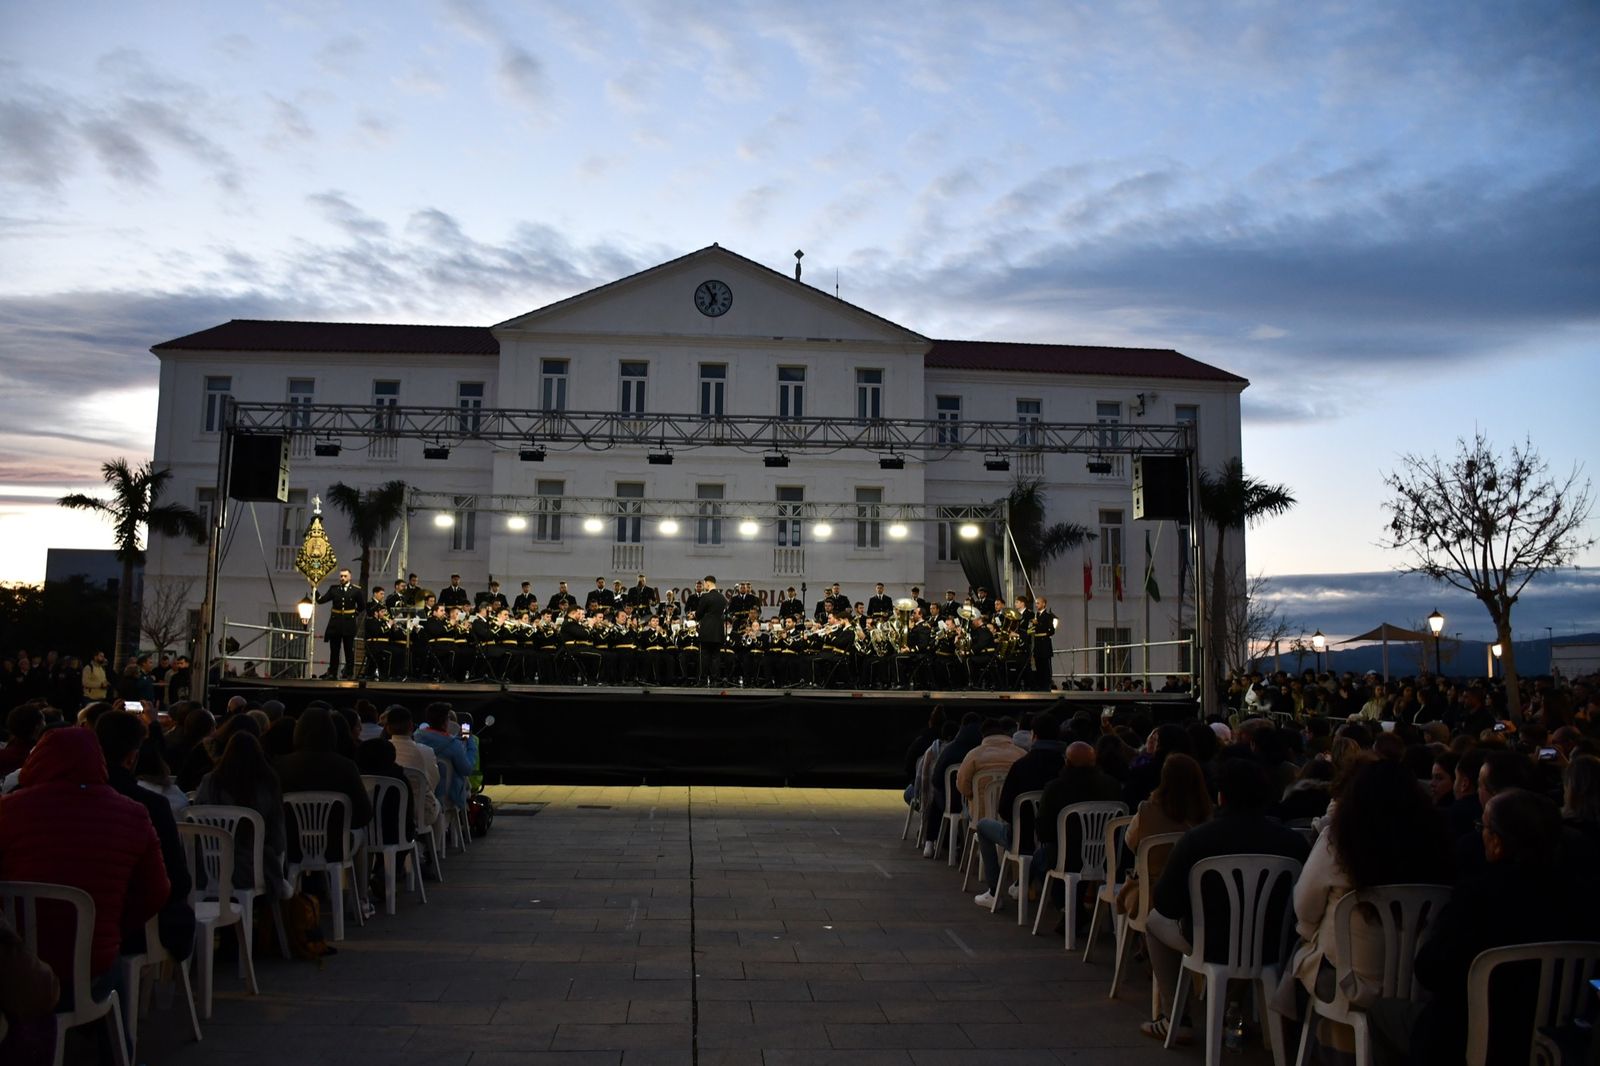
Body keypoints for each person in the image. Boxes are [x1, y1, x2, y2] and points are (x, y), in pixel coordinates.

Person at [1374, 789, 1600, 1065]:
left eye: (1484, 828)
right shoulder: (1583, 897)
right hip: (1554, 1037)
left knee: (1379, 1014)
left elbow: (1431, 970)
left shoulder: (1479, 896)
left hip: (1468, 1034)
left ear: (1497, 843)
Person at [1279, 758, 1452, 1057]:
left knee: (1294, 960)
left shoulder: (1338, 841)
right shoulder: (1436, 844)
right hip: (1413, 980)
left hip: (1353, 979)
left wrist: (1310, 932)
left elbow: (1304, 906)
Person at [0, 727, 169, 1027]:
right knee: (120, 979)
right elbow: (156, 891)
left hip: (14, 970)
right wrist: (111, 925)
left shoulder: (8, 811)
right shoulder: (132, 813)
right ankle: (118, 1050)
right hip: (91, 968)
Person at [1141, 758, 1310, 1044]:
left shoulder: (1198, 840)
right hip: (1271, 943)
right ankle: (1234, 1006)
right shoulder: (1290, 842)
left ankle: (1175, 1016)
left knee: (1153, 922)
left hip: (1209, 941)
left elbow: (1166, 901)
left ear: (1221, 796)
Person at [96, 710, 196, 964]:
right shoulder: (150, 806)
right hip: (126, 927)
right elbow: (175, 881)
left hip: (63, 924)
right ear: (132, 757)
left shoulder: (27, 802)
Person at [972, 714, 1068, 907]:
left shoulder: (1022, 765)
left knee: (983, 826)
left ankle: (994, 891)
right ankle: (1021, 882)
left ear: (1034, 736)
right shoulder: (1065, 765)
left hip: (1021, 838)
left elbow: (1005, 808)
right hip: (1056, 841)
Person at [1033, 741, 1122, 922]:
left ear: (1067, 762)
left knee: (1041, 858)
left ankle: (1067, 908)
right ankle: (1073, 908)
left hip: (1067, 857)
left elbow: (1043, 831)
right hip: (1107, 857)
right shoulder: (1112, 785)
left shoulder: (1056, 787)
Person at [194, 730, 289, 899]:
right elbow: (278, 839)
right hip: (251, 870)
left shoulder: (210, 783)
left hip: (207, 869)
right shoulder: (267, 784)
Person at [1118, 752, 1212, 922]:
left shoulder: (1147, 811)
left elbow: (1131, 842)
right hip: (1196, 893)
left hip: (1153, 892)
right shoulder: (1207, 814)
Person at [273, 706, 373, 857]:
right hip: (335, 844)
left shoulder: (280, 766)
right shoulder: (345, 766)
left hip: (291, 844)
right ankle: (356, 880)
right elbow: (363, 814)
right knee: (361, 838)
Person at [412, 703, 474, 814]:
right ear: (446, 722)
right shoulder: (454, 745)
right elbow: (467, 770)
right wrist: (470, 743)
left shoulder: (416, 738)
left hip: (420, 795)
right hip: (446, 798)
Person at [316, 567, 363, 679]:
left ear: (350, 577)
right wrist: (314, 589)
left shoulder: (356, 590)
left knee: (348, 650)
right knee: (334, 650)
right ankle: (332, 673)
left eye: (345, 576)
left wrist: (353, 614)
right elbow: (321, 600)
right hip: (335, 623)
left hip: (348, 624)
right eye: (341, 576)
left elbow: (362, 606)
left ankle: (349, 673)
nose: (342, 578)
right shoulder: (334, 589)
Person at [695, 575, 726, 684]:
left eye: (704, 584)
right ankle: (715, 680)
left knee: (704, 655)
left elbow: (699, 614)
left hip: (707, 630)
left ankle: (703, 680)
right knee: (716, 656)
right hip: (718, 631)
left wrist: (695, 614)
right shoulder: (722, 598)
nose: (703, 586)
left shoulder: (705, 597)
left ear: (708, 583)